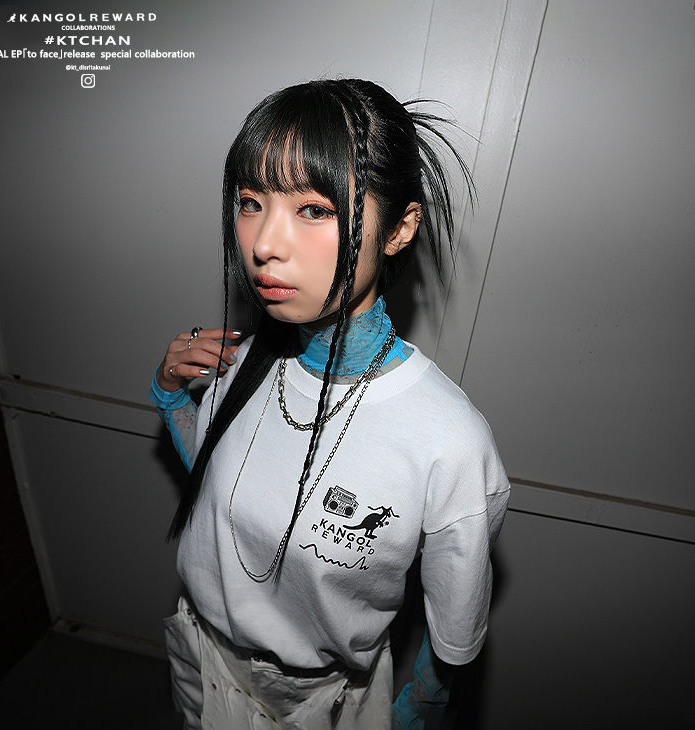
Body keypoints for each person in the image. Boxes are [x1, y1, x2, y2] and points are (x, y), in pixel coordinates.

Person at [149, 78, 509, 730]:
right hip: (199, 657)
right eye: (251, 203)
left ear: (399, 229)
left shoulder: (448, 440)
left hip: (320, 702)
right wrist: (172, 395)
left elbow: (455, 628)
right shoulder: (244, 363)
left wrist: (420, 706)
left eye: (314, 210)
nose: (264, 244)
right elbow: (215, 482)